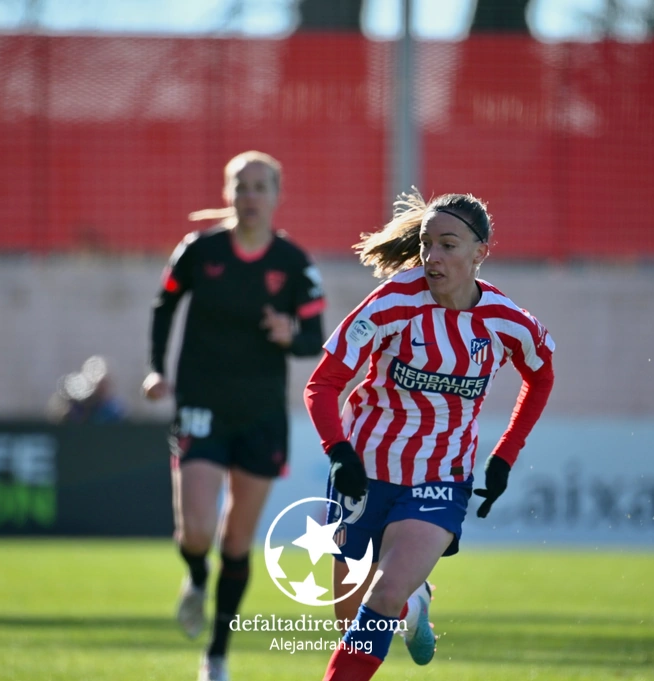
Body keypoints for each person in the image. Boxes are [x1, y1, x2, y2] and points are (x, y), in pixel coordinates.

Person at [303, 191, 555, 681]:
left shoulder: (506, 322)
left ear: (480, 252)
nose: (432, 257)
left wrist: (504, 455)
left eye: (448, 245)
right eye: (426, 244)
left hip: (441, 478)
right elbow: (323, 383)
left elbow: (541, 375)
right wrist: (337, 452)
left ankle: (402, 595)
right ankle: (412, 603)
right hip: (364, 471)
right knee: (348, 618)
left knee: (382, 595)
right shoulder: (394, 302)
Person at [142, 150, 326, 681]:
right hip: (201, 405)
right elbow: (164, 306)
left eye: (260, 186)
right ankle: (196, 577)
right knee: (196, 531)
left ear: (277, 195)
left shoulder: (294, 264)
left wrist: (290, 334)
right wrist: (156, 370)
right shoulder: (200, 251)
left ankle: (217, 653)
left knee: (238, 542)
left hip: (262, 415)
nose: (250, 196)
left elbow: (314, 338)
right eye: (240, 186)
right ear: (228, 195)